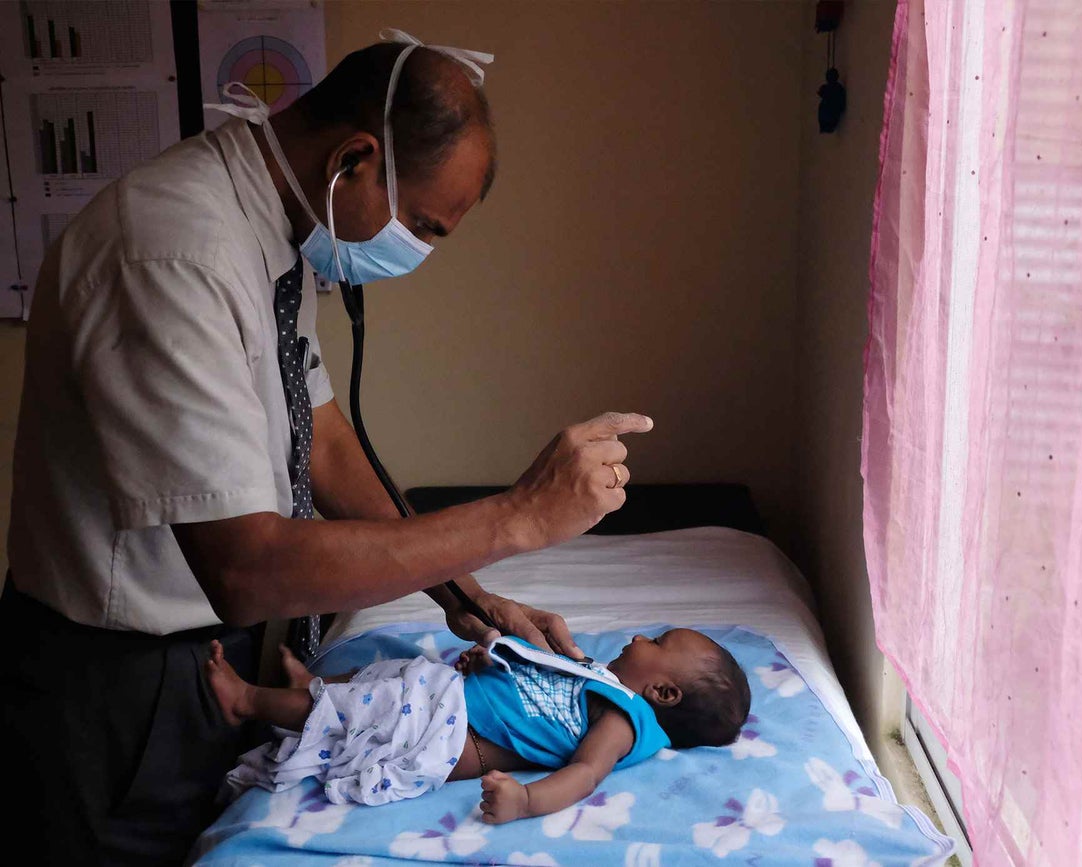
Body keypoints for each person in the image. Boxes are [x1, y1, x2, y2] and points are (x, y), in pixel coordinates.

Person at [0, 29, 653, 865]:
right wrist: (518, 516)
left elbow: (321, 439)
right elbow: (245, 567)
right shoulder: (170, 253)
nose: (418, 252)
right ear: (355, 160)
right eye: (422, 225)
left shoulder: (277, 229)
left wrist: (465, 595)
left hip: (201, 663)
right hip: (114, 690)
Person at [205, 628, 752, 822]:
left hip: (456, 736)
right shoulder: (595, 678)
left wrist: (527, 801)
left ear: (662, 693)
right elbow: (533, 689)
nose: (636, 637)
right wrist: (489, 664)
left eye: (656, 643)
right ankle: (312, 690)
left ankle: (250, 701)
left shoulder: (625, 721)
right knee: (386, 675)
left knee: (369, 709)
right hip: (451, 696)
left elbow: (586, 773)